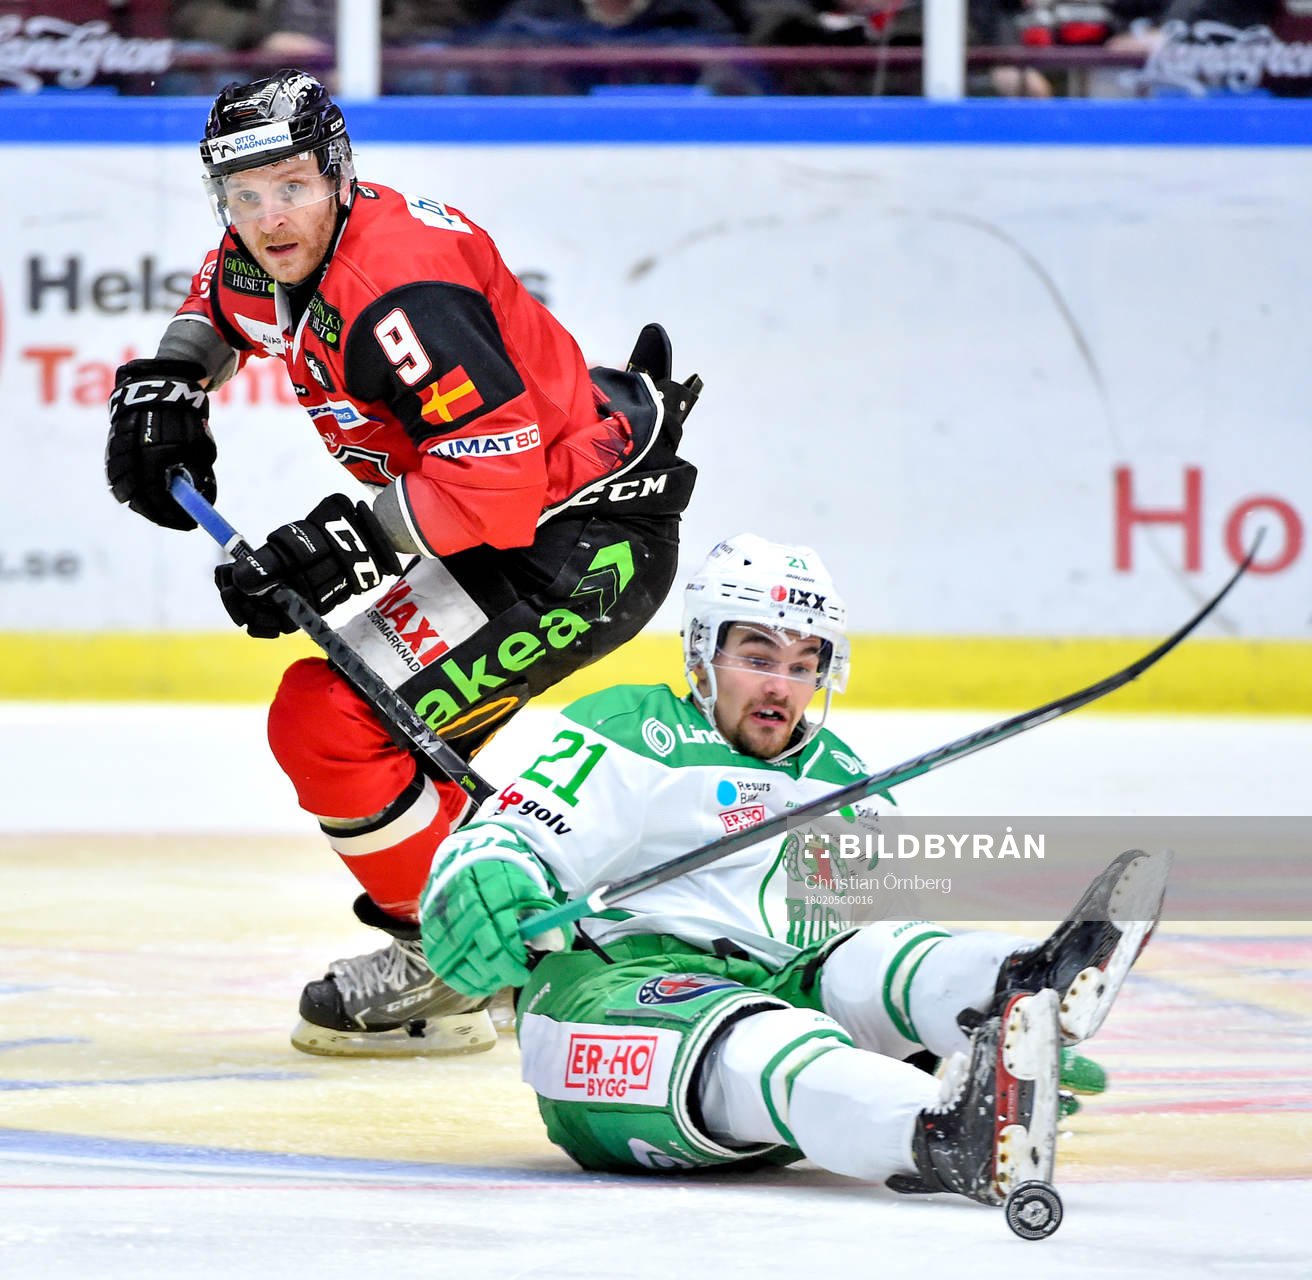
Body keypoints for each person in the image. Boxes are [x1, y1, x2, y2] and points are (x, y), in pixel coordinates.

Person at [104, 68, 700, 1059]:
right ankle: (490, 907)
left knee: (336, 723)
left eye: (290, 185)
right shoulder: (282, 247)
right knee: (340, 722)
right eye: (242, 196)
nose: (267, 218)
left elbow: (495, 484)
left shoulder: (400, 289)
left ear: (338, 172)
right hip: (517, 528)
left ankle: (461, 958)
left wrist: (341, 545)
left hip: (578, 545)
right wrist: (173, 374)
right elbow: (222, 296)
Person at [417, 533, 1160, 1199]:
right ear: (703, 651)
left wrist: (959, 1051)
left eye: (805, 664)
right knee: (756, 1033)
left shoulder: (842, 777)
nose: (782, 686)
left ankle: (1023, 988)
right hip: (617, 1019)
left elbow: (866, 956)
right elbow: (509, 837)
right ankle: (935, 1133)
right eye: (758, 657)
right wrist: (483, 880)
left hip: (790, 1049)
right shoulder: (632, 733)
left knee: (879, 953)